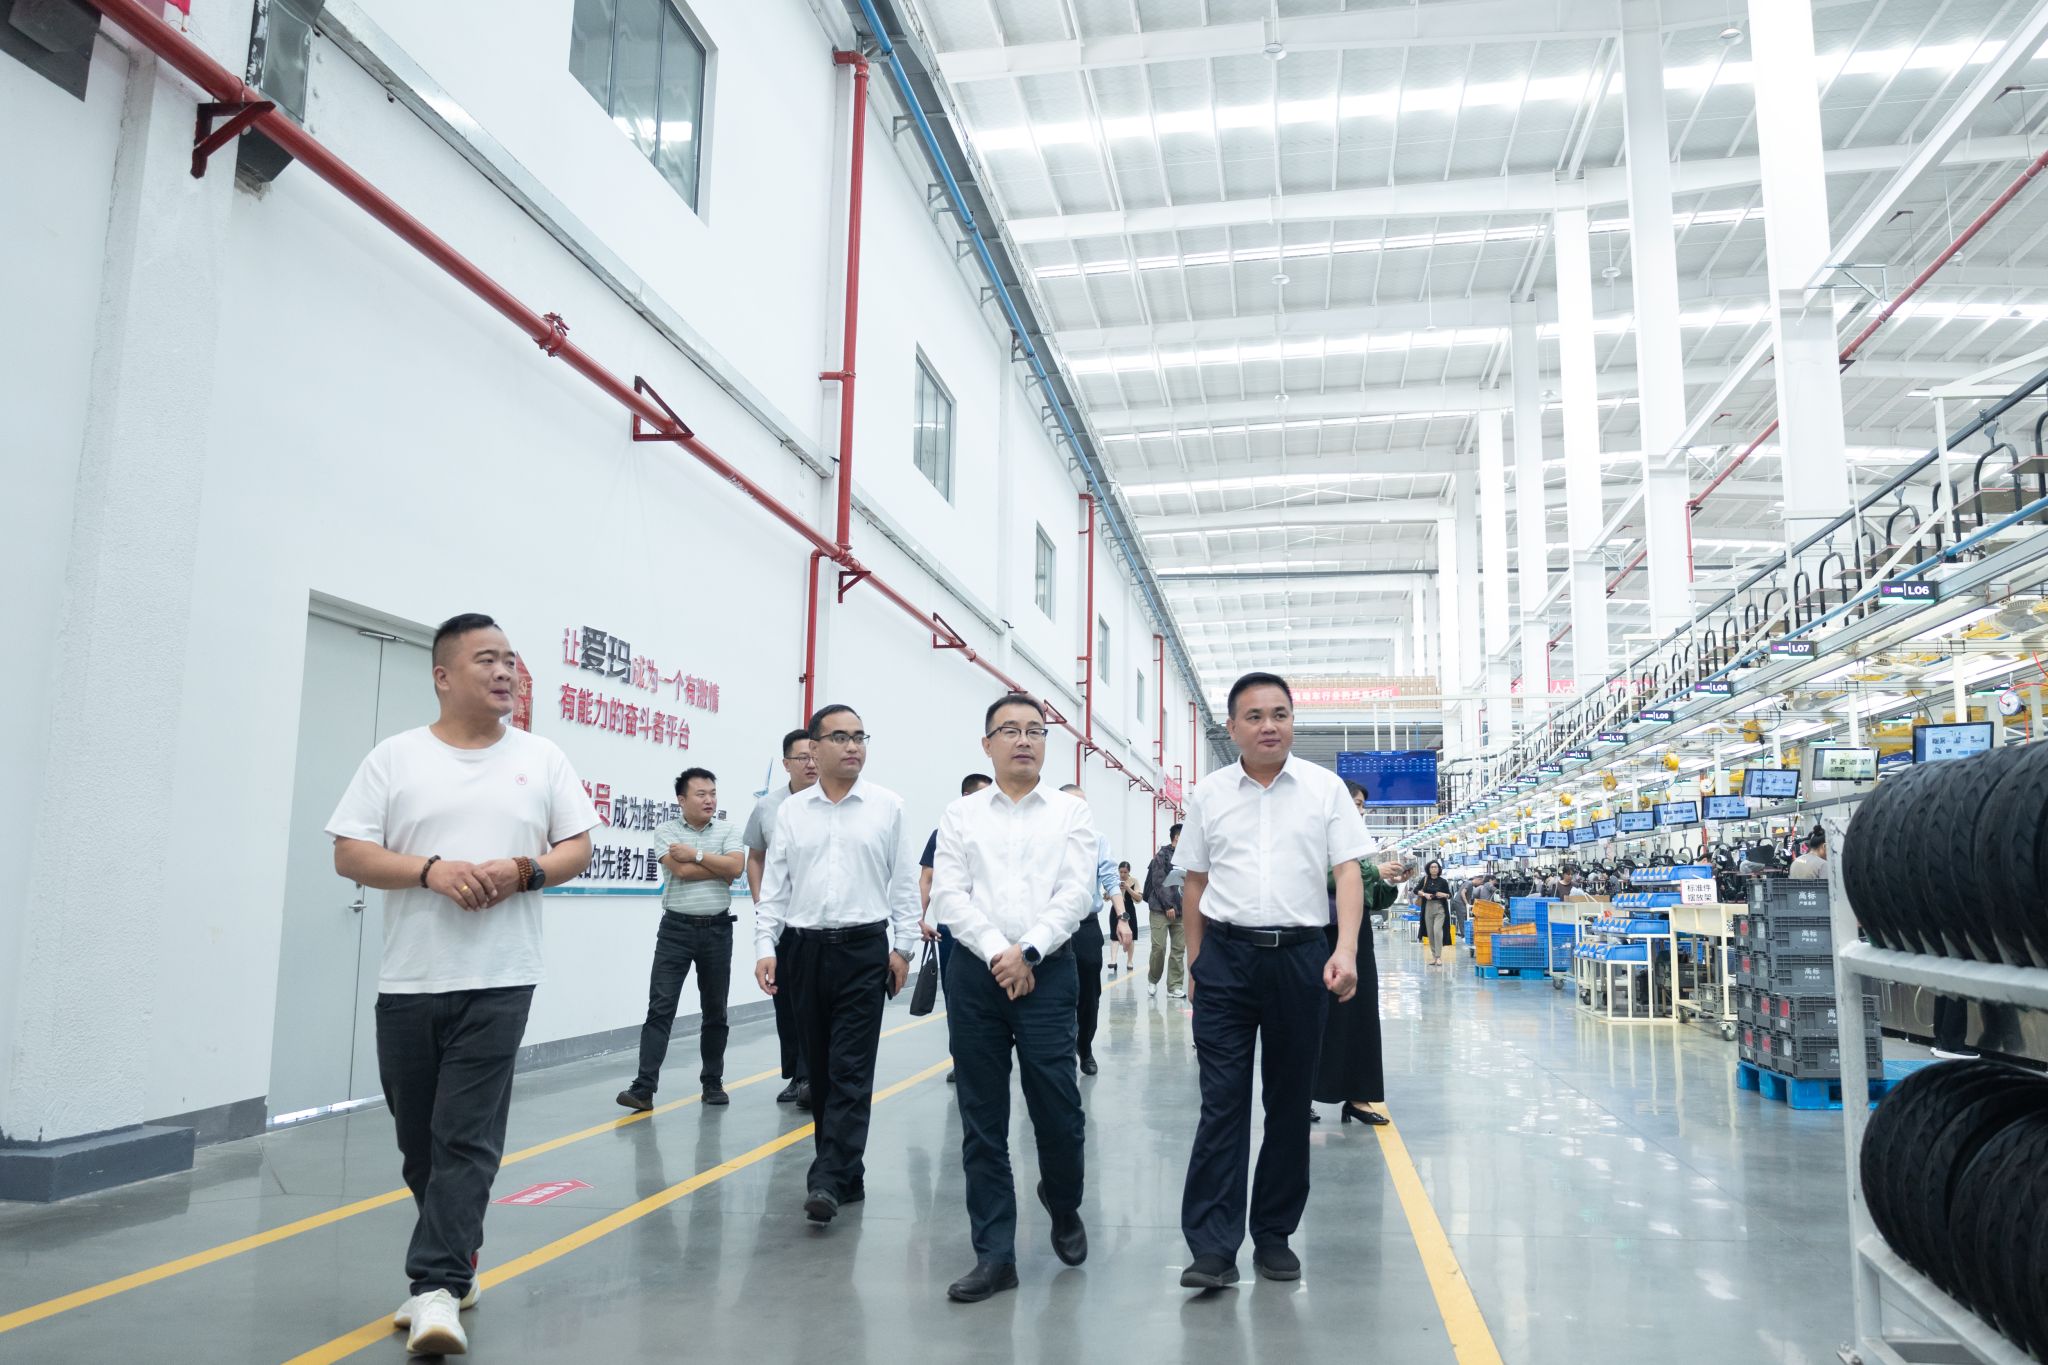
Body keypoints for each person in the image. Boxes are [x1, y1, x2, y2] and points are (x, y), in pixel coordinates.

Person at [327, 613, 598, 1357]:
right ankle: (458, 1260)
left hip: (502, 975)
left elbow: (577, 845)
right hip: (410, 978)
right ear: (443, 675)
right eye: (487, 659)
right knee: (420, 1143)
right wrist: (431, 871)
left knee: (465, 1136)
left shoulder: (541, 757)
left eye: (510, 659)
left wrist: (525, 869)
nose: (505, 671)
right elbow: (349, 853)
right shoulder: (395, 757)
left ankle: (436, 1287)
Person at [1174, 671, 1370, 1290]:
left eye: (1280, 714)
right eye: (1255, 716)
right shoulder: (1209, 794)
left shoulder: (1324, 789)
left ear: (1292, 723)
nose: (1269, 726)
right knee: (1221, 1104)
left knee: (1288, 1104)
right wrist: (1197, 963)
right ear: (1232, 727)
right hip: (1227, 959)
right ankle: (1212, 1248)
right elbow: (1195, 883)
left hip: (1300, 958)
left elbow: (1348, 872)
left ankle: (1274, 1235)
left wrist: (1345, 949)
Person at [929, 694, 1097, 1302]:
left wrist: (1028, 951)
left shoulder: (1071, 814)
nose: (1024, 739)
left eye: (1035, 730)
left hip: (1048, 973)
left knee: (1058, 1108)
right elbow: (948, 895)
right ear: (987, 744)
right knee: (982, 1117)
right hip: (976, 976)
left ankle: (1062, 1197)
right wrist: (1001, 952)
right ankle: (995, 1255)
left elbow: (1076, 894)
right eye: (1010, 730)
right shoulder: (960, 814)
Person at [753, 704, 920, 1224]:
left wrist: (903, 949)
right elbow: (775, 887)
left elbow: (904, 884)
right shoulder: (791, 812)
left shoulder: (888, 807)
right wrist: (765, 946)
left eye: (859, 737)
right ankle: (848, 1174)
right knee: (821, 1072)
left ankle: (825, 1177)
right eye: (841, 737)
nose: (852, 747)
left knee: (850, 1067)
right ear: (814, 748)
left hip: (863, 950)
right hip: (802, 951)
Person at [617, 768, 746, 1112]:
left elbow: (736, 868)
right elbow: (682, 871)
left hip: (718, 929)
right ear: (682, 799)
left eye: (713, 793)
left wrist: (698, 855)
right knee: (660, 1007)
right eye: (701, 794)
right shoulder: (666, 831)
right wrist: (716, 866)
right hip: (675, 930)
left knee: (715, 1009)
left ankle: (712, 1083)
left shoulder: (728, 830)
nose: (709, 800)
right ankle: (644, 1088)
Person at [1316, 780, 1409, 1128]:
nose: (1360, 810)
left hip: (1357, 931)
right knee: (1312, 1011)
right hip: (1321, 929)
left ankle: (1357, 1096)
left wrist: (1390, 883)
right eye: (1355, 803)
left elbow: (1372, 898)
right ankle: (1302, 1093)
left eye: (1362, 806)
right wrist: (1372, 871)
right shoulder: (1315, 834)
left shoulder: (1360, 844)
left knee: (1360, 1010)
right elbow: (1322, 875)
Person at [743, 729, 819, 1108]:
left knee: (815, 1001)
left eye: (814, 755)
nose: (810, 763)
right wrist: (762, 904)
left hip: (819, 922)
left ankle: (814, 1075)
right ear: (786, 763)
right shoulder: (767, 807)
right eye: (802, 757)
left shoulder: (831, 802)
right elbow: (755, 858)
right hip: (782, 923)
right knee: (785, 1001)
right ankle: (797, 1074)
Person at [920, 772, 993, 1084]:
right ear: (966, 797)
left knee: (995, 996)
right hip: (952, 931)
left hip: (994, 931)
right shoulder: (943, 834)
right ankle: (962, 1060)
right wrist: (920, 917)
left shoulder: (999, 833)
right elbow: (927, 878)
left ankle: (991, 1055)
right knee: (957, 998)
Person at [1057, 784, 1128, 1075]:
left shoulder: (1097, 840)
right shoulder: (1045, 837)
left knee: (1089, 993)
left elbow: (1110, 878)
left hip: (1085, 926)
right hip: (1052, 926)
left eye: (1084, 805)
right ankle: (1057, 1050)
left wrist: (1122, 918)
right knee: (1052, 990)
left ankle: (1084, 1046)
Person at [1144, 824, 1187, 998]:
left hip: (1182, 911)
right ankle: (1153, 979)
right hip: (1160, 910)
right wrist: (1168, 905)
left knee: (1178, 950)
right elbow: (1158, 882)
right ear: (1177, 837)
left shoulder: (1189, 857)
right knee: (1159, 948)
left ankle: (1174, 986)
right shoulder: (1162, 855)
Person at [1416, 860, 1453, 966]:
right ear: (1428, 869)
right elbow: (1416, 890)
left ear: (1439, 869)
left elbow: (1449, 895)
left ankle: (1438, 956)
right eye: (1432, 867)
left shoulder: (1443, 881)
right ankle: (1434, 957)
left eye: (1436, 867)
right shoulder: (1425, 879)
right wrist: (1424, 894)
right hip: (1428, 907)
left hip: (1440, 908)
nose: (1434, 869)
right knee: (1430, 933)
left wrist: (1444, 895)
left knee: (1437, 931)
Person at [1113, 861, 1142, 975]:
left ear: (1129, 871)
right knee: (1114, 936)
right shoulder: (1115, 881)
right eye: (1120, 872)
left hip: (1130, 909)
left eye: (1125, 872)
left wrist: (1128, 888)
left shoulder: (1134, 881)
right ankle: (1113, 960)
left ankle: (1130, 960)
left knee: (1132, 936)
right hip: (1116, 910)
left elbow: (1139, 898)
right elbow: (1106, 896)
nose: (1122, 874)